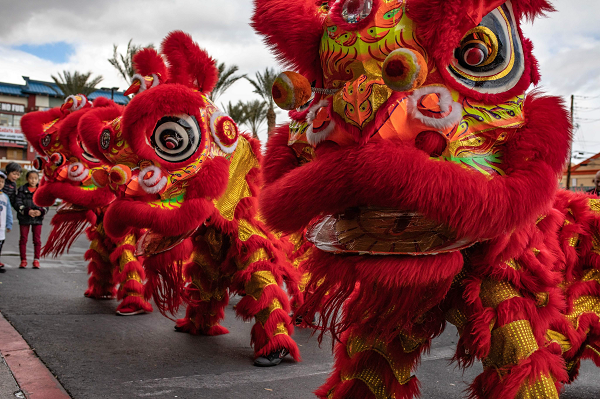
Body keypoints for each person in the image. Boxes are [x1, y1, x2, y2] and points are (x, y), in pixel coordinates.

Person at [15, 170, 47, 269]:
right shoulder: (21, 190)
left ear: (38, 179)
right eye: (31, 178)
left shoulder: (41, 190)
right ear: (27, 179)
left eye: (35, 178)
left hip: (37, 219)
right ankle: (23, 260)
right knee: (23, 239)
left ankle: (36, 260)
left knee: (37, 240)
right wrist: (27, 211)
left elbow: (46, 203)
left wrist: (40, 211)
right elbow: (18, 203)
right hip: (24, 218)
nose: (33, 180)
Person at [0, 171, 13, 273]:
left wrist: (9, 224)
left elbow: (8, 212)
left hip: (1, 227)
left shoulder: (5, 197)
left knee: (0, 245)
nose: (0, 183)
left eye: (2, 181)